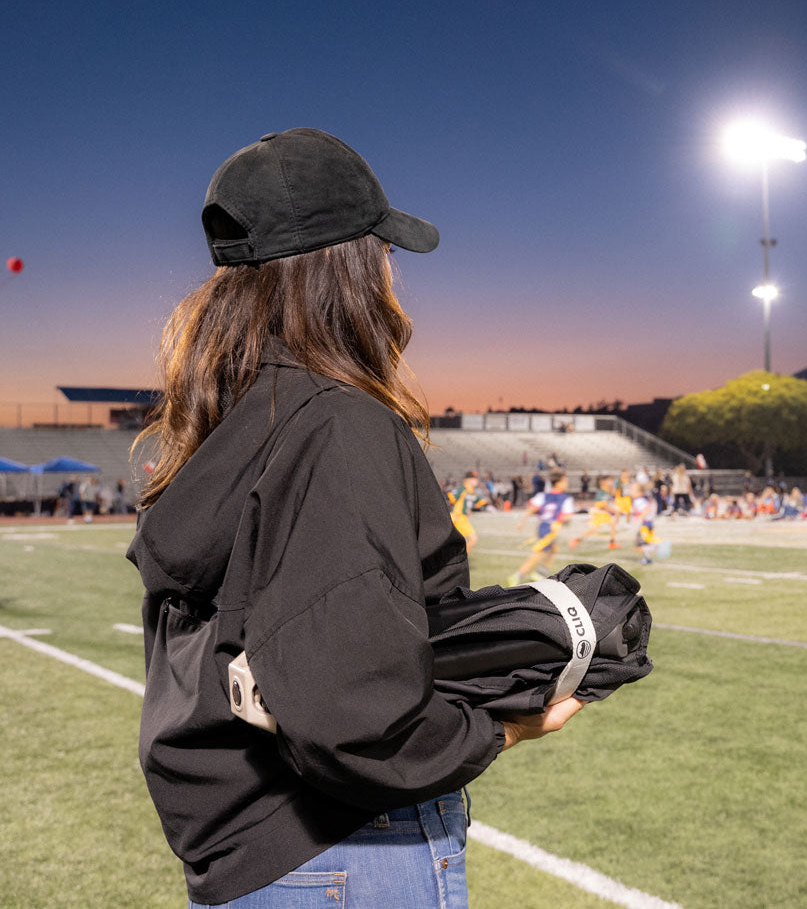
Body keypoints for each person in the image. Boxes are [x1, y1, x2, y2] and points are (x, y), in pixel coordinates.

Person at [128, 128, 580, 909]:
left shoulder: (233, 422)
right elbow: (352, 710)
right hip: (346, 854)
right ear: (351, 264)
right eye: (385, 253)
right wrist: (500, 730)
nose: (393, 276)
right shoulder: (339, 422)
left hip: (249, 857)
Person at [511, 472, 576, 586]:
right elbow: (567, 517)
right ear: (558, 482)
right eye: (565, 481)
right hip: (551, 528)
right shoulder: (565, 499)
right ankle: (518, 575)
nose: (567, 483)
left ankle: (540, 573)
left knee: (553, 549)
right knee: (539, 553)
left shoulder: (543, 496)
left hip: (543, 526)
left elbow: (531, 508)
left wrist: (522, 521)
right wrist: (564, 520)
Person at [568, 473, 622, 551]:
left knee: (611, 525)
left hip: (602, 512)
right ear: (604, 482)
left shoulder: (605, 490)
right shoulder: (602, 491)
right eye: (610, 481)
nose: (611, 482)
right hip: (599, 512)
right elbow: (603, 505)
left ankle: (612, 543)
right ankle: (576, 540)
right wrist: (614, 511)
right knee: (593, 529)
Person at [447, 471, 488, 551]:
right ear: (467, 480)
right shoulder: (462, 489)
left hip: (463, 518)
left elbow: (480, 502)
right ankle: (461, 559)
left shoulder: (472, 492)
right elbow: (452, 499)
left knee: (454, 542)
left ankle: (457, 559)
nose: (476, 481)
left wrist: (470, 508)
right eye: (474, 479)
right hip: (458, 518)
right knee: (473, 539)